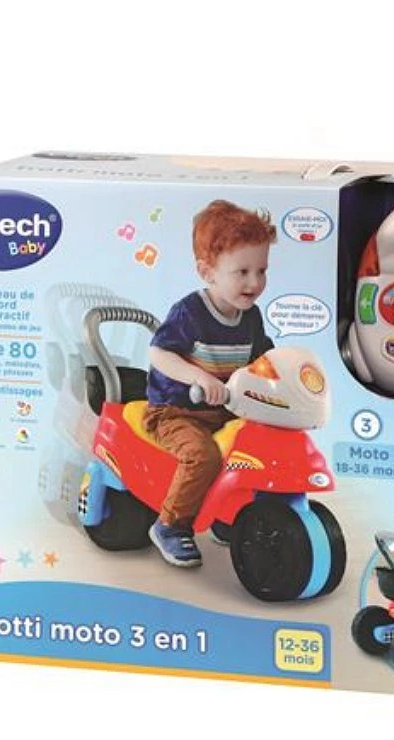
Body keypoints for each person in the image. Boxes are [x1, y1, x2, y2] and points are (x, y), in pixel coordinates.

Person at [143, 200, 276, 567]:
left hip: (224, 410)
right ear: (208, 272)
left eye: (261, 270)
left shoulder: (251, 317)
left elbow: (264, 360)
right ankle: (171, 525)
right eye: (242, 271)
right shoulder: (190, 312)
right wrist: (199, 376)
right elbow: (159, 353)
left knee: (256, 446)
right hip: (176, 411)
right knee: (203, 455)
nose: (254, 283)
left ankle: (228, 513)